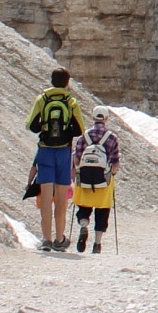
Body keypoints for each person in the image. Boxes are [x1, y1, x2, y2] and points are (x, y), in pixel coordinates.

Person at [26, 69, 86, 251]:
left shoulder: (41, 99)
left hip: (45, 151)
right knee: (61, 198)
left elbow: (31, 125)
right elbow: (80, 130)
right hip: (63, 153)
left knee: (45, 197)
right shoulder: (71, 102)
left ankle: (46, 239)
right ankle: (59, 239)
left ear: (51, 81)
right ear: (67, 83)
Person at [71, 112, 120, 254]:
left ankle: (83, 225)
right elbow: (115, 162)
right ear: (106, 119)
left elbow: (76, 160)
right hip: (103, 180)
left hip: (84, 179)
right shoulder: (112, 137)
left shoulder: (83, 136)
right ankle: (97, 244)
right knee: (102, 210)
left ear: (93, 117)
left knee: (84, 207)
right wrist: (112, 173)